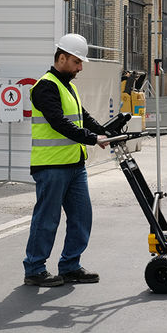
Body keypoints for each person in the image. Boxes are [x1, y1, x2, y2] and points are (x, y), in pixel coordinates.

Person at [23, 33, 109, 287]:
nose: (80, 68)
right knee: (47, 219)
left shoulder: (67, 86)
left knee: (82, 216)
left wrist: (108, 131)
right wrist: (92, 139)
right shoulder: (45, 86)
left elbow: (83, 118)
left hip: (74, 166)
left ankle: (70, 266)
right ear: (62, 58)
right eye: (76, 62)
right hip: (51, 166)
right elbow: (59, 123)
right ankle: (35, 269)